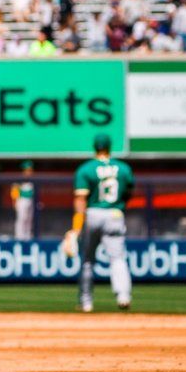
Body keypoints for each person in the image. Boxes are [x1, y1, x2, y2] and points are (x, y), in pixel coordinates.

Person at [62, 133, 134, 313]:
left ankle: (86, 302)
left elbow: (80, 200)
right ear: (110, 146)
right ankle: (123, 296)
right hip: (115, 213)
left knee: (87, 261)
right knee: (118, 258)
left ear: (95, 146)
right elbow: (128, 193)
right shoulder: (123, 168)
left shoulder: (86, 169)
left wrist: (76, 228)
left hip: (93, 213)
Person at [12, 160, 34, 241]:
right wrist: (14, 202)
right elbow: (14, 192)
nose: (29, 171)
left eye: (30, 170)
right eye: (27, 170)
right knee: (21, 219)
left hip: (30, 201)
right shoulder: (19, 179)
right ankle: (19, 237)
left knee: (29, 219)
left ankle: (27, 236)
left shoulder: (32, 179)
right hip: (21, 201)